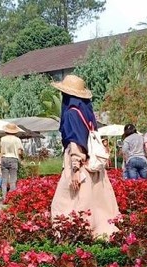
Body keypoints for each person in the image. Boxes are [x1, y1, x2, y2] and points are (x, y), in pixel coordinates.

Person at [49, 74, 120, 238]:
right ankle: (101, 231)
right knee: (96, 200)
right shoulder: (86, 113)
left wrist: (75, 170)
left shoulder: (71, 114)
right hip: (93, 163)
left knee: (68, 201)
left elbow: (75, 141)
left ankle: (78, 233)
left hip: (79, 162)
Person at [0, 123, 24, 199]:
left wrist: (0, 161)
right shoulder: (17, 140)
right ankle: (11, 197)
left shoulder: (2, 139)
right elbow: (20, 152)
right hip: (13, 159)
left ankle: (4, 197)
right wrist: (21, 159)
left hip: (4, 158)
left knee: (4, 180)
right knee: (13, 180)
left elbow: (1, 151)